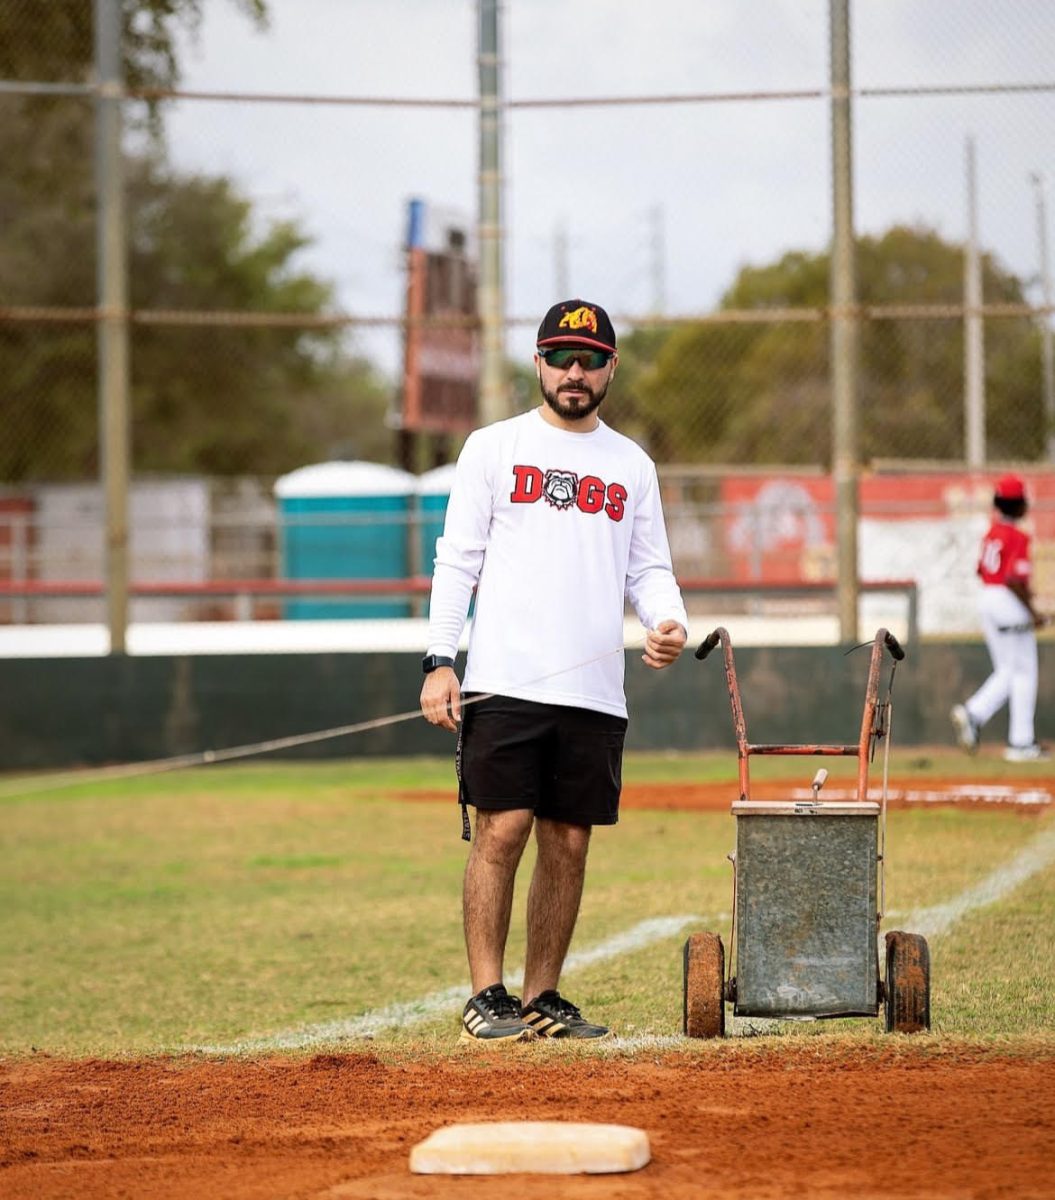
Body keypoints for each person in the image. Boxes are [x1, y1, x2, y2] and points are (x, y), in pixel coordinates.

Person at [419, 299, 688, 1044]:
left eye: (590, 359)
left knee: (568, 841)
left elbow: (649, 569)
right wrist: (441, 660)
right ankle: (486, 994)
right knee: (501, 829)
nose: (575, 372)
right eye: (562, 358)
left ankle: (543, 996)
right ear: (537, 363)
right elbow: (456, 561)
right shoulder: (492, 448)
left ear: (610, 369)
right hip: (504, 679)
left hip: (593, 693)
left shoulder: (631, 464)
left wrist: (668, 623)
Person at [951, 473, 1048, 762]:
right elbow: (1015, 579)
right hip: (1007, 599)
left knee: (1008, 669)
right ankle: (1020, 742)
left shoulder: (991, 532)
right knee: (1024, 671)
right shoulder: (1017, 536)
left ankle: (974, 713)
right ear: (1019, 505)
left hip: (987, 599)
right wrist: (1033, 613)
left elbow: (982, 570)